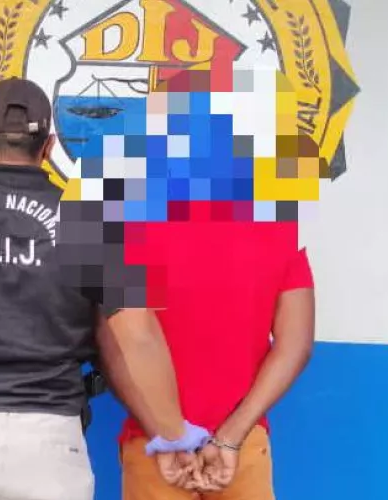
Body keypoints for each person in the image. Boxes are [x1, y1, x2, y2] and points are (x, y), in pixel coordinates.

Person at [0, 77, 208, 500]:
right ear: (47, 146)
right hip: (49, 443)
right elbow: (138, 335)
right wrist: (173, 435)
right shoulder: (94, 223)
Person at [95, 68, 317, 500]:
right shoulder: (280, 222)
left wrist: (168, 434)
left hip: (155, 445)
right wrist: (231, 436)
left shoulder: (123, 221)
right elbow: (296, 343)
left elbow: (113, 344)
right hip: (242, 445)